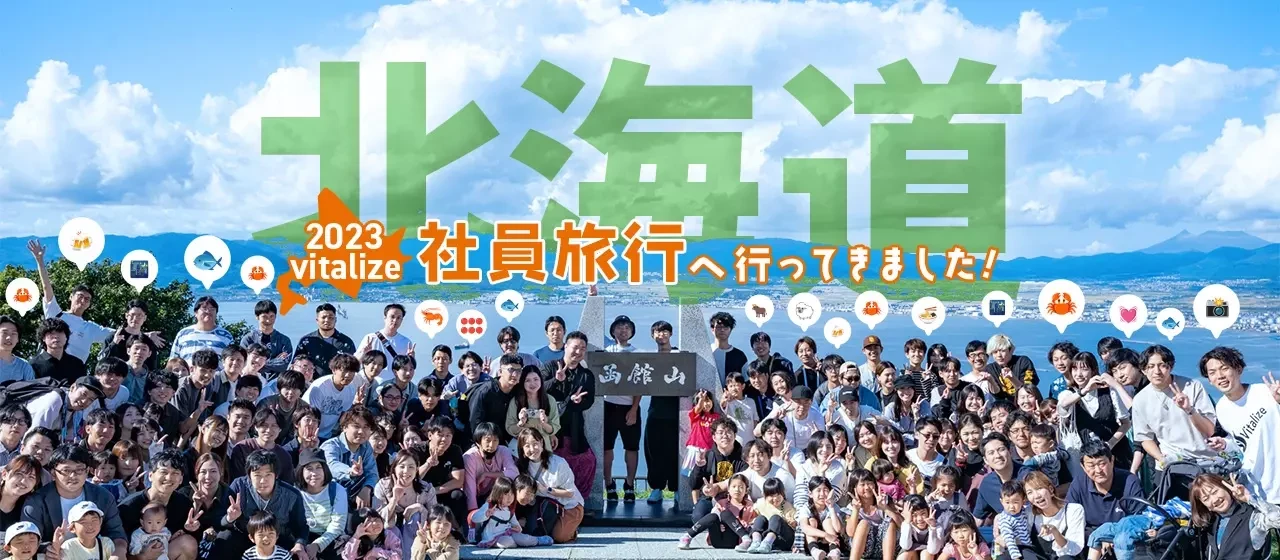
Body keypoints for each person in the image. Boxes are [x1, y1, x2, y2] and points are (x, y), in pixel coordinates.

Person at [1200, 347, 1280, 505]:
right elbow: (1241, 444)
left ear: (1238, 369)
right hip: (1260, 489)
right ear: (1209, 380)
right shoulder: (1222, 409)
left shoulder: (1266, 393)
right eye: (1213, 372)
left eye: (1224, 368)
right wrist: (1225, 444)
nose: (1220, 376)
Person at [21, 445, 128, 557]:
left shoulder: (103, 496)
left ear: (87, 471)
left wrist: (119, 552)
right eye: (66, 470)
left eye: (79, 470)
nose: (73, 475)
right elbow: (28, 539)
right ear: (53, 473)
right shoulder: (36, 501)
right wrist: (48, 548)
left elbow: (117, 533)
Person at [223, 450, 309, 558]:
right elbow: (221, 519)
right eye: (257, 475)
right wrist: (229, 518)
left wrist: (299, 544)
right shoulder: (238, 486)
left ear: (276, 475)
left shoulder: (292, 495)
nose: (263, 481)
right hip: (246, 537)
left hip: (277, 540)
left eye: (268, 474)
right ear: (249, 475)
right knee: (224, 538)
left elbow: (301, 526)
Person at [542, 332, 596, 500]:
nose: (578, 352)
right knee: (552, 467)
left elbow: (589, 401)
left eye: (583, 348)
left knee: (588, 461)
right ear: (565, 346)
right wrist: (556, 381)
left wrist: (580, 401)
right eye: (575, 347)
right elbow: (538, 389)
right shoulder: (550, 367)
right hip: (549, 428)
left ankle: (577, 502)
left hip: (573, 429)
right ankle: (553, 503)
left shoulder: (586, 375)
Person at [1187, 472, 1280, 560]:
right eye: (1206, 499)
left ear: (1225, 488)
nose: (1214, 500)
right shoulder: (1210, 523)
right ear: (1205, 506)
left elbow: (1277, 518)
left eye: (1215, 492)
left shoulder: (1252, 517)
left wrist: (1250, 498)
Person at [515, 428, 584, 543]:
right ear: (522, 449)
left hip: (568, 505)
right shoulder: (522, 467)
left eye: (535, 444)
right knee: (531, 532)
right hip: (543, 506)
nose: (532, 449)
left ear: (542, 443)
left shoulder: (558, 463)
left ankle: (571, 531)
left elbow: (570, 493)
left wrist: (546, 489)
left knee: (559, 537)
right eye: (527, 446)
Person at [602, 314, 642, 502]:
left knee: (631, 448)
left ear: (632, 331)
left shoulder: (637, 353)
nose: (623, 330)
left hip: (630, 407)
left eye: (627, 327)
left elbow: (641, 384)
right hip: (608, 406)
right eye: (619, 327)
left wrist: (634, 409)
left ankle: (629, 484)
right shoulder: (605, 351)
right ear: (612, 331)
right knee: (606, 448)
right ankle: (609, 484)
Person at [1066, 441, 1144, 535]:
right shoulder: (1078, 484)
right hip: (1090, 538)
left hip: (1123, 536)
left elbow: (1139, 520)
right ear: (1083, 467)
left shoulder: (1130, 482)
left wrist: (1110, 536)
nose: (1098, 470)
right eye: (1091, 466)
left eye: (1102, 463)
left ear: (1112, 461)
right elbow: (1071, 521)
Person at [1084, 497, 1191, 560]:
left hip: (1142, 525)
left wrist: (1157, 532)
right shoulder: (1166, 508)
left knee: (1122, 540)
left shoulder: (1178, 515)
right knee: (1098, 533)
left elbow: (1173, 525)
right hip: (1127, 522)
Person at [677, 473, 756, 551]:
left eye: (741, 487)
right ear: (728, 489)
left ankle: (746, 539)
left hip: (736, 539)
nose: (737, 490)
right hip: (718, 538)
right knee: (714, 515)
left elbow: (753, 525)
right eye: (734, 486)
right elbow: (713, 518)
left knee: (726, 514)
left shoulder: (750, 506)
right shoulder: (721, 503)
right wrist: (719, 525)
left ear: (746, 490)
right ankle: (687, 536)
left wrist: (735, 524)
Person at [320, 406, 379, 507]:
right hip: (329, 498)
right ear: (344, 427)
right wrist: (350, 471)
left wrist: (367, 488)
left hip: (354, 497)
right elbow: (332, 465)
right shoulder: (331, 445)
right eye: (356, 426)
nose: (361, 431)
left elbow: (372, 473)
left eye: (366, 427)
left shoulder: (366, 446)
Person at [295, 448, 348, 560]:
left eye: (318, 467)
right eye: (309, 469)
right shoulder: (295, 492)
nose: (314, 473)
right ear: (301, 471)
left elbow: (337, 525)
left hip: (330, 538)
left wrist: (317, 545)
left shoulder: (337, 490)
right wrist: (301, 544)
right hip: (303, 538)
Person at [470, 476, 547, 549]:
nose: (510, 498)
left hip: (508, 534)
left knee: (520, 537)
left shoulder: (509, 509)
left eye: (512, 494)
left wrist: (518, 528)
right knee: (507, 542)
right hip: (493, 538)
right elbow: (474, 518)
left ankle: (539, 540)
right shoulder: (490, 506)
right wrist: (486, 514)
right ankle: (520, 542)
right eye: (506, 494)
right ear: (498, 494)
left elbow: (515, 523)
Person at [303, 354, 363, 439]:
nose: (348, 375)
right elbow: (309, 415)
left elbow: (344, 414)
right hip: (308, 433)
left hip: (328, 434)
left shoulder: (351, 389)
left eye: (352, 372)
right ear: (334, 370)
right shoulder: (319, 387)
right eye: (344, 370)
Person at [466, 356, 522, 443]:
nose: (515, 374)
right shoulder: (485, 392)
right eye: (511, 370)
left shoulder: (518, 392)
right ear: (500, 372)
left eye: (519, 370)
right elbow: (475, 423)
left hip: (506, 440)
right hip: (484, 441)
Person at [463, 422, 518, 511]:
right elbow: (470, 487)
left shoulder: (503, 451)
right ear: (478, 442)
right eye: (488, 440)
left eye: (495, 440)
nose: (492, 445)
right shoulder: (470, 457)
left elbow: (514, 473)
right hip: (473, 496)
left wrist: (487, 474)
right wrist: (473, 512)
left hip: (493, 495)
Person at [294, 304, 357, 380]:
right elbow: (296, 365)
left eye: (330, 317)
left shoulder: (346, 342)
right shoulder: (307, 341)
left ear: (335, 320)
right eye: (323, 317)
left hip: (339, 384)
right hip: (312, 384)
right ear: (317, 320)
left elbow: (353, 367)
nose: (327, 320)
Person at [171, 297, 235, 364]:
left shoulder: (226, 336)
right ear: (196, 313)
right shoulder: (183, 334)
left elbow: (232, 361)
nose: (208, 311)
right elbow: (173, 362)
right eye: (204, 308)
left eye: (212, 309)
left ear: (216, 313)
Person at [241, 300, 294, 379]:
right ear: (257, 317)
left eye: (271, 316)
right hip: (252, 381)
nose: (268, 320)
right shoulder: (248, 339)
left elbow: (283, 365)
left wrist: (258, 362)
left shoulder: (284, 340)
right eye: (264, 317)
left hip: (276, 382)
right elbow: (244, 362)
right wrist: (275, 361)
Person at [30, 318, 87, 387]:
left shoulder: (78, 364)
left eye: (60, 332)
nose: (56, 336)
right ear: (43, 338)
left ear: (66, 337)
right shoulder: (33, 365)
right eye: (51, 333)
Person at [994, 480, 1034, 560]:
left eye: (1015, 502)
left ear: (1023, 501)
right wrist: (1016, 557)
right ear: (1002, 502)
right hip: (1011, 549)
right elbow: (1009, 540)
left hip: (1027, 546)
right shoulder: (1005, 520)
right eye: (1007, 502)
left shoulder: (1023, 511)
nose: (1011, 506)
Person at [708, 312, 748, 386]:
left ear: (730, 330)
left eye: (726, 327)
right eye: (719, 327)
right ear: (712, 329)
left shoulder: (739, 356)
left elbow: (746, 381)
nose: (722, 330)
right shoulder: (705, 352)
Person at [0, 316, 35, 383]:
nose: (9, 337)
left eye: (13, 333)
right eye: (5, 333)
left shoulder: (24, 366)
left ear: (18, 339)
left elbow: (32, 388)